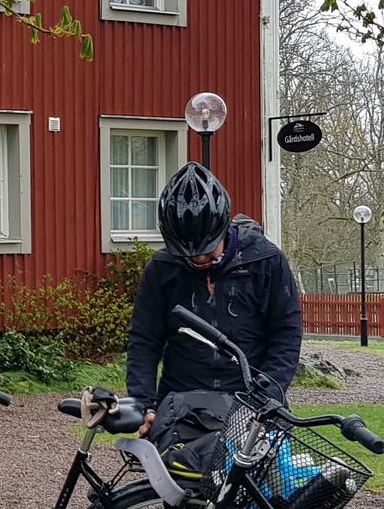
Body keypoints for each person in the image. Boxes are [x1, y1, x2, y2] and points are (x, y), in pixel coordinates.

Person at [126, 162, 304, 438]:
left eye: (207, 252)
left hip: (252, 403)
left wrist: (267, 397)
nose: (197, 259)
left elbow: (286, 335)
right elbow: (144, 341)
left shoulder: (266, 261)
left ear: (223, 229)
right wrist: (143, 403)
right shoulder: (162, 268)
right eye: (187, 253)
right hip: (180, 405)